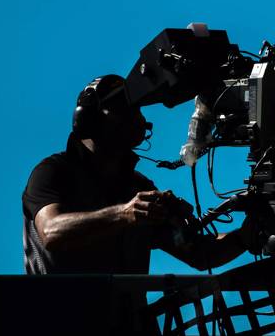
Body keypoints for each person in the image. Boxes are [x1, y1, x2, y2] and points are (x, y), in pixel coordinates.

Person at [22, 74, 251, 275]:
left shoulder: (138, 187)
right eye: (126, 109)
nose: (139, 119)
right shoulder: (53, 172)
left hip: (129, 324)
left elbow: (201, 254)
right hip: (62, 323)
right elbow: (51, 231)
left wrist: (249, 234)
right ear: (90, 119)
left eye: (138, 110)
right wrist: (125, 213)